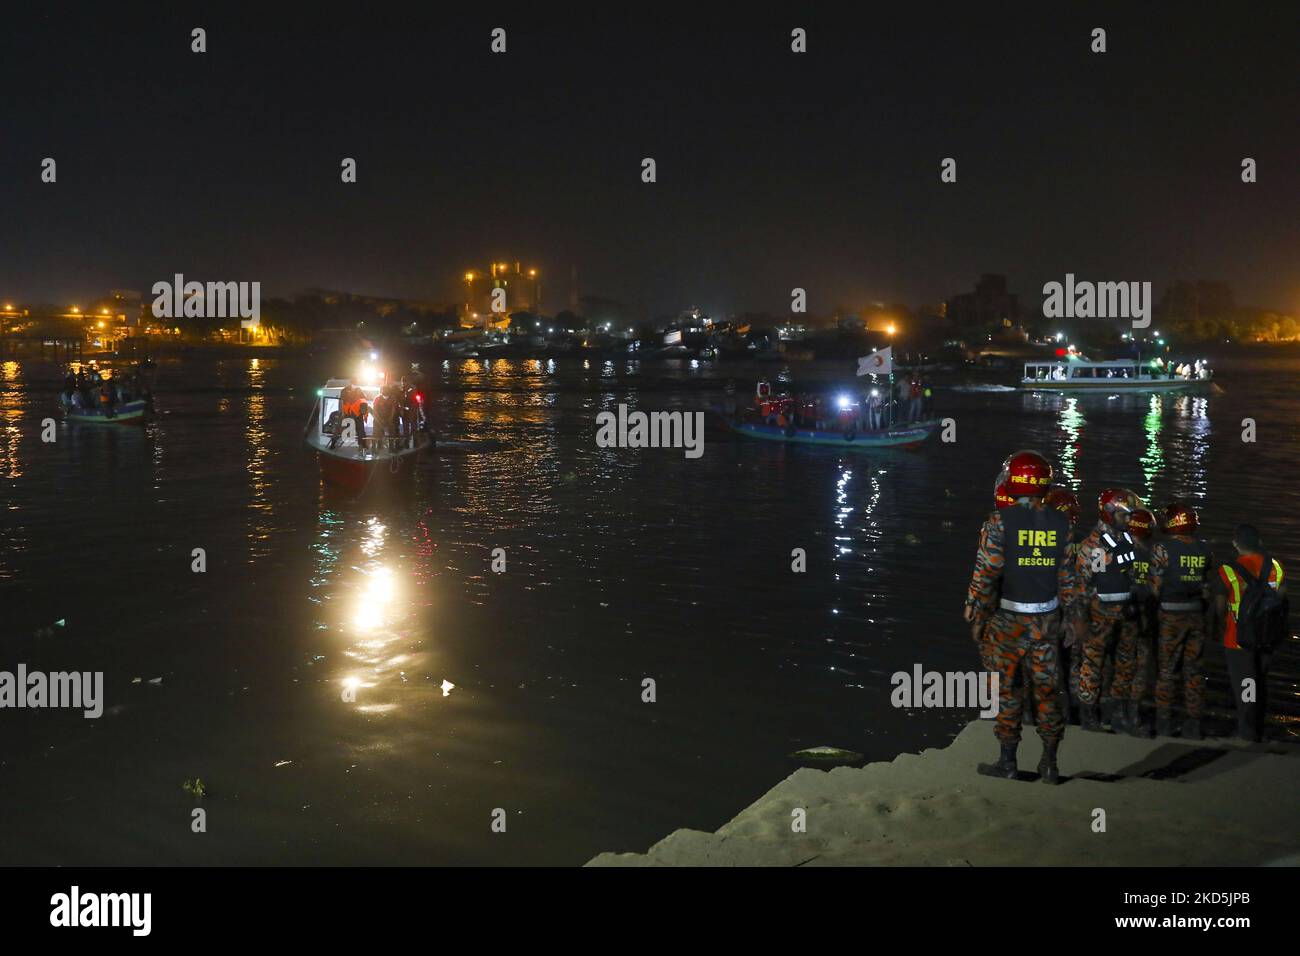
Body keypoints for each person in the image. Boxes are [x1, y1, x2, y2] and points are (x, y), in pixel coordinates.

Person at [964, 451, 1077, 783]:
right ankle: (1051, 765)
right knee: (1048, 692)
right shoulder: (1062, 522)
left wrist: (977, 612)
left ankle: (1008, 763)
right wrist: (1072, 617)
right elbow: (1068, 577)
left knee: (1006, 690)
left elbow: (987, 573)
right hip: (1048, 621)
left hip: (1009, 622)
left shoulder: (999, 523)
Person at [1073, 488, 1143, 732]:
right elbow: (1084, 585)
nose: (1129, 521)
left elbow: (1132, 575)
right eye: (1125, 516)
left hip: (1126, 613)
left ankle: (1119, 713)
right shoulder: (1095, 546)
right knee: (1093, 665)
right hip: (1100, 614)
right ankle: (1090, 716)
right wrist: (1081, 619)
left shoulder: (1128, 540)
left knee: (1126, 664)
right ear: (1110, 514)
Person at [1213, 525, 1287, 742]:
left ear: (1235, 544)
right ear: (1259, 542)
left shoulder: (1228, 570)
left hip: (1238, 638)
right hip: (1268, 635)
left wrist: (1220, 628)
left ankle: (1247, 731)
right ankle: (1259, 726)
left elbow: (1219, 606)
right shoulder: (1275, 566)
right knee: (1260, 681)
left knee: (1246, 684)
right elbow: (1281, 597)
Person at [1043, 486, 1083, 720]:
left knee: (1050, 665)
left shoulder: (1043, 540)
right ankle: (1079, 714)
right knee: (1076, 663)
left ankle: (1052, 713)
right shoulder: (1087, 542)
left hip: (1049, 610)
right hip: (1078, 610)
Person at [1120, 507, 1159, 736]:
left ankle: (1111, 712)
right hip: (1144, 618)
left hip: (1119, 617)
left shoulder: (1116, 551)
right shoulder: (1156, 553)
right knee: (1142, 667)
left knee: (1118, 666)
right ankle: (1133, 713)